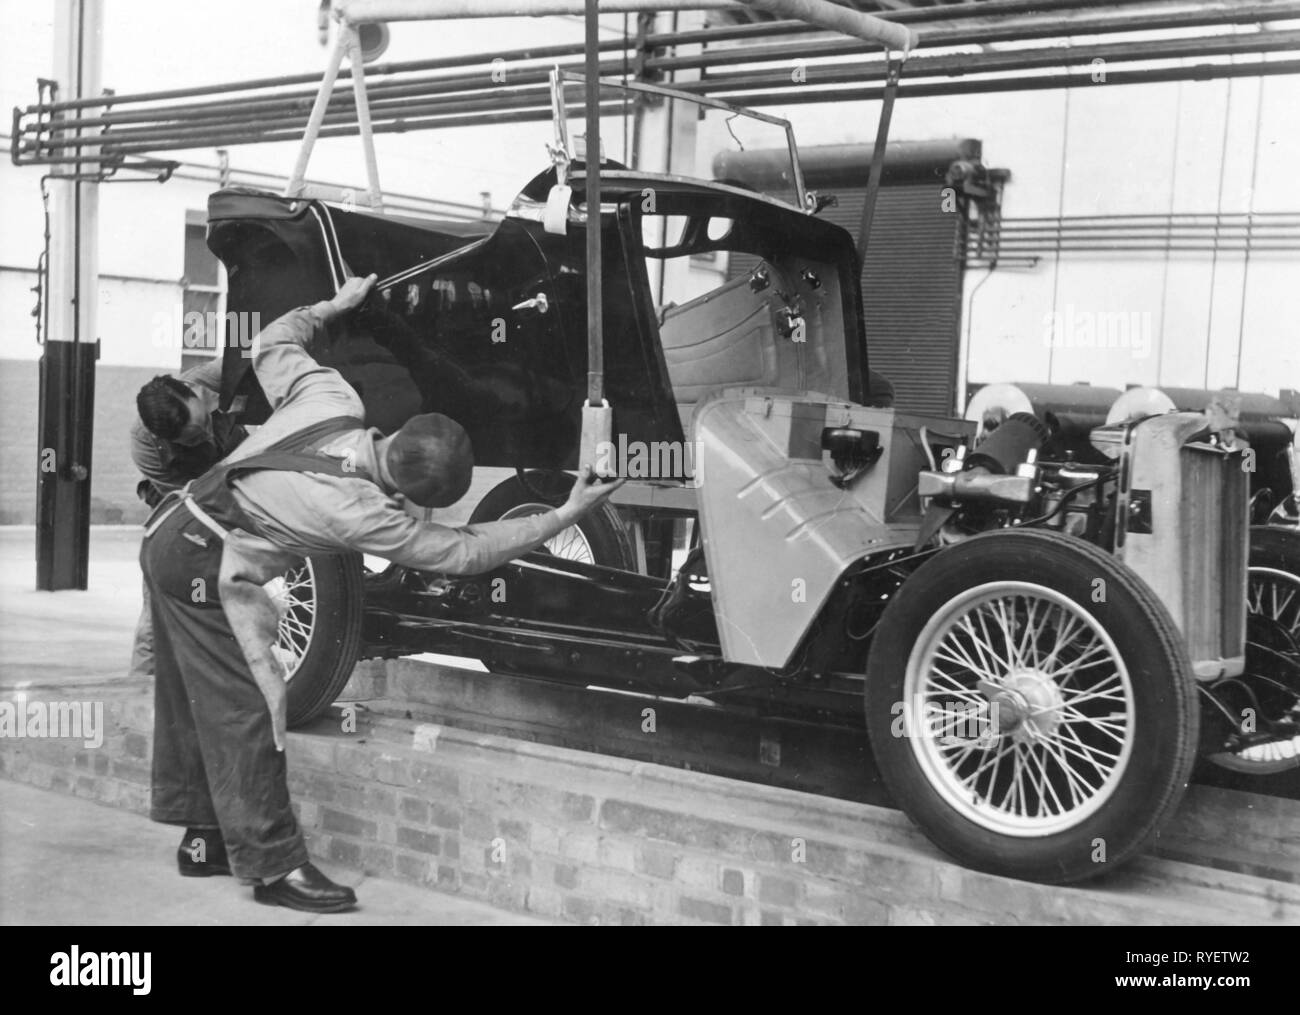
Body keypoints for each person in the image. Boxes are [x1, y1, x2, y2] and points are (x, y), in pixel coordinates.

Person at [142, 273, 622, 913]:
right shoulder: (369, 518)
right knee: (248, 707)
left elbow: (271, 341)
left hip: (168, 530)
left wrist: (333, 306)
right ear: (419, 499)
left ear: (401, 430)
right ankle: (274, 866)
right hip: (201, 561)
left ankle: (201, 837)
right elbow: (468, 550)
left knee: (192, 691)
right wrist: (563, 514)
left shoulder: (330, 396)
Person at [128, 360, 248, 678]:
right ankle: (141, 701)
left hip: (242, 473)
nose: (207, 434)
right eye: (194, 438)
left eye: (205, 422)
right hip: (187, 509)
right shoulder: (145, 444)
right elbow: (193, 506)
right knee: (160, 609)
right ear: (168, 439)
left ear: (195, 393)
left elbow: (268, 346)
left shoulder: (216, 376)